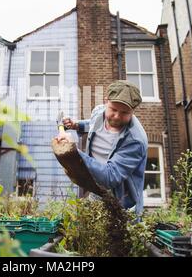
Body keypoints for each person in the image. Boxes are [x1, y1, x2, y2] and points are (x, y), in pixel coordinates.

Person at [55, 80, 148, 216]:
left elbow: (110, 177)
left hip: (121, 206)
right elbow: (93, 123)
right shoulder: (99, 112)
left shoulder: (135, 141)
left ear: (133, 111)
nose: (116, 117)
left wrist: (73, 151)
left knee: (116, 237)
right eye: (113, 109)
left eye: (124, 113)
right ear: (106, 101)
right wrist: (77, 125)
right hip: (95, 193)